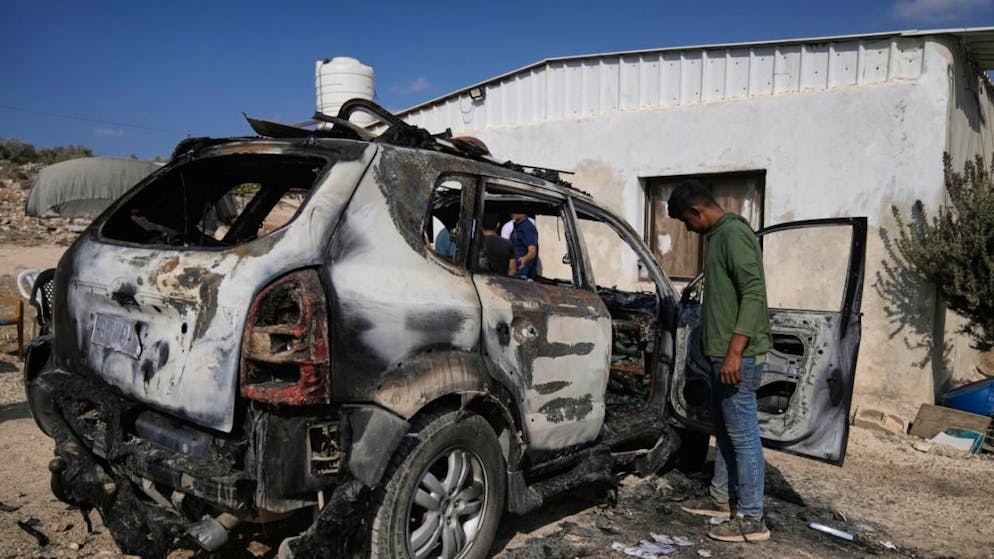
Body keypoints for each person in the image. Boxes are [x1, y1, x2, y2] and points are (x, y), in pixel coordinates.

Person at [667, 179, 772, 543]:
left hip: (736, 359)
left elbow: (754, 293)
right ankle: (722, 499)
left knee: (744, 437)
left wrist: (734, 353)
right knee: (726, 432)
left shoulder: (733, 235)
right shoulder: (719, 236)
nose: (688, 229)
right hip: (720, 356)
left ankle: (752, 518)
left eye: (685, 221)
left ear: (698, 211)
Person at [509, 212, 539, 279]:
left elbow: (532, 252)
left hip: (522, 274)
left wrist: (524, 260)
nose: (513, 213)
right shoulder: (516, 226)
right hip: (514, 272)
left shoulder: (527, 228)